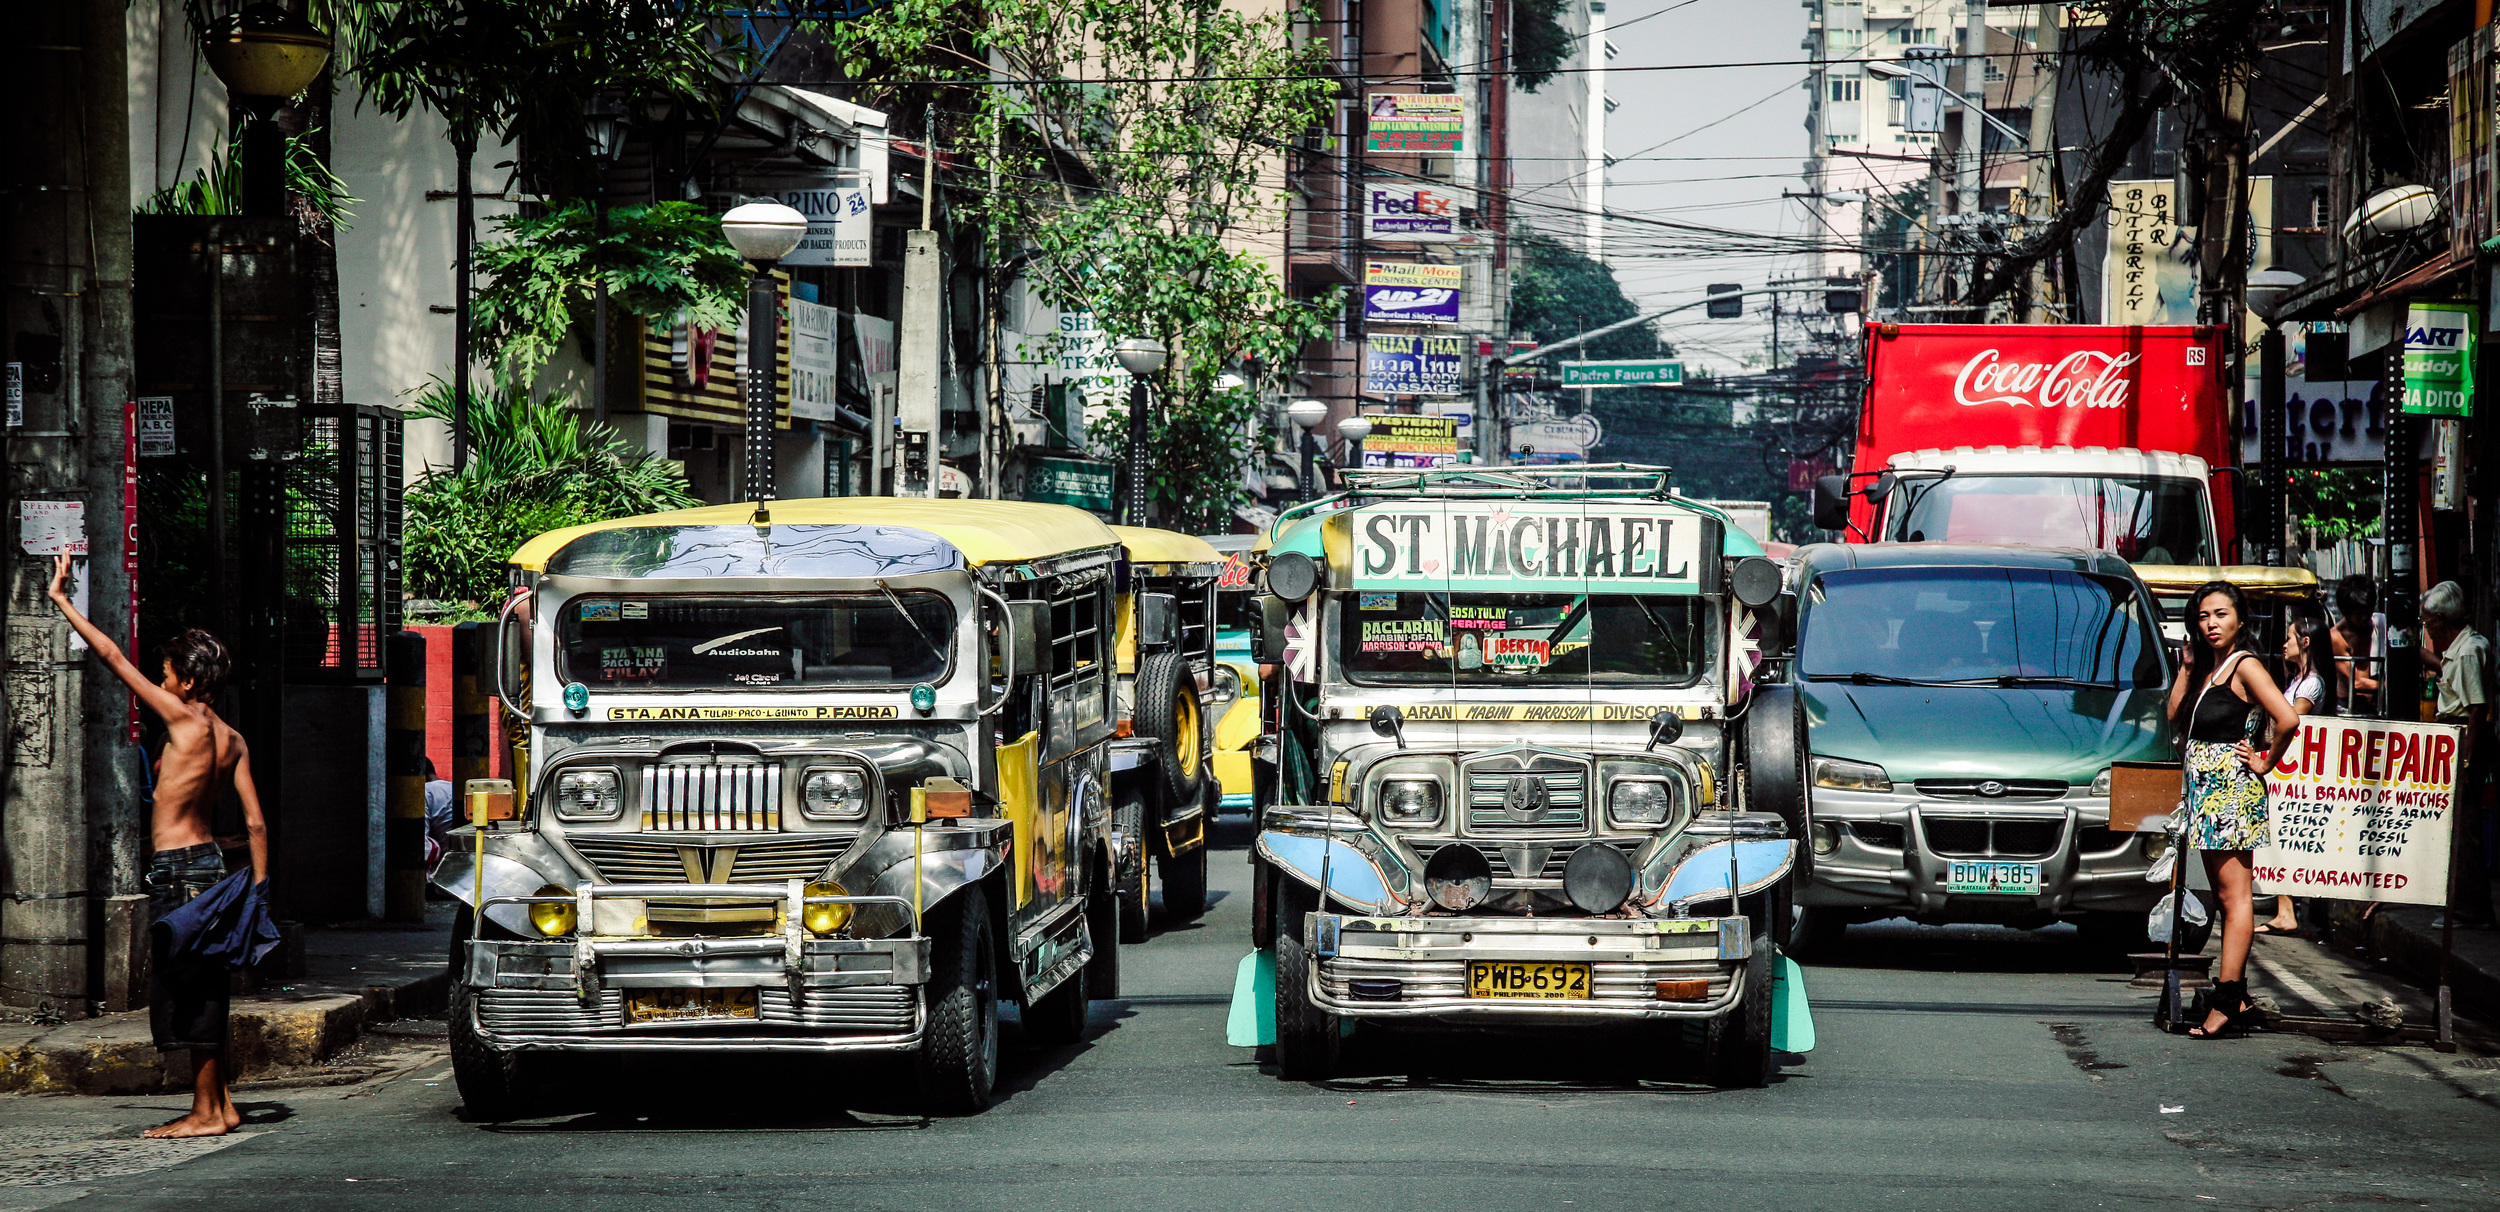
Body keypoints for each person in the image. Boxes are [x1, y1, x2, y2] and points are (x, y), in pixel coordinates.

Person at [45, 553, 266, 1137]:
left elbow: (113, 656)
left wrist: (63, 599)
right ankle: (222, 1105)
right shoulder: (233, 738)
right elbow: (257, 826)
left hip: (177, 874)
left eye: (167, 673)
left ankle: (202, 1113)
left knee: (181, 989)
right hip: (214, 869)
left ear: (187, 682)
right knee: (208, 984)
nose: (161, 681)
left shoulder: (183, 720)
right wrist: (260, 893)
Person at [2167, 581, 2301, 1039]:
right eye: (2203, 616)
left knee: (2235, 897)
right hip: (2207, 799)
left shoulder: (2245, 666)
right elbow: (2171, 718)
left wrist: (2265, 761)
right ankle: (2236, 994)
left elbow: (2288, 718)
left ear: (2240, 621)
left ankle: (2227, 1000)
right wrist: (2186, 669)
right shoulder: (2210, 668)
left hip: (2230, 797)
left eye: (2221, 615)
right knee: (2226, 898)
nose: (2210, 624)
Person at [2420, 581, 2493, 928]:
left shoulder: (2467, 652)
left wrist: (2465, 762)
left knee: (2465, 829)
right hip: (2458, 739)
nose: (2427, 628)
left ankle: (2472, 909)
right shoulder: (2463, 647)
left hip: (2465, 739)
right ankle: (2463, 904)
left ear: (2440, 619)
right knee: (2457, 827)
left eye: (2427, 622)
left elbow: (2477, 710)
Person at [2257, 607, 2332, 938]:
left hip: (2296, 771)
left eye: (2289, 638)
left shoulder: (2312, 684)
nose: (2284, 644)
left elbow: (2291, 724)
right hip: (2285, 770)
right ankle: (2284, 909)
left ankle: (2288, 911)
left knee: (2286, 836)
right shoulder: (2297, 681)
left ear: (2304, 642)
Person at [2331, 575, 2381, 715]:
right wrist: (2392, 685)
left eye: (2368, 612)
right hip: (2349, 705)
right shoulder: (2337, 637)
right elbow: (2356, 683)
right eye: (2359, 614)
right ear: (2345, 611)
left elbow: (2415, 651)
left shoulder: (2379, 624)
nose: (2365, 617)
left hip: (2378, 702)